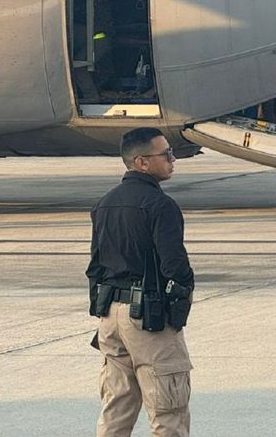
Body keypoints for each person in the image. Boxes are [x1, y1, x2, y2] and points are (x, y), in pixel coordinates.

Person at [87, 128, 194, 437]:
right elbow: (175, 267)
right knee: (168, 409)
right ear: (142, 162)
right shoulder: (161, 206)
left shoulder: (104, 204)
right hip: (148, 318)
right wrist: (178, 308)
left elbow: (95, 266)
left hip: (110, 318)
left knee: (116, 408)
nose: (173, 160)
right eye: (166, 154)